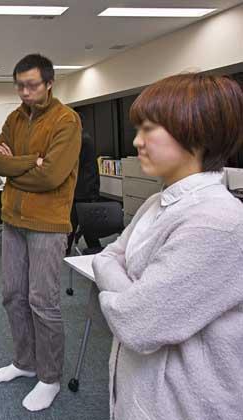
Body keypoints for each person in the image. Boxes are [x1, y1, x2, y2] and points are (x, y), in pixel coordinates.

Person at [92, 74, 243, 420]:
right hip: (140, 392)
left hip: (183, 405)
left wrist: (127, 295)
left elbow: (137, 323)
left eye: (149, 129)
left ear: (198, 132)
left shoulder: (217, 222)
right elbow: (105, 257)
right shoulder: (157, 203)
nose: (136, 142)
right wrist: (132, 290)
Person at [0, 53, 82, 412]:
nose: (25, 92)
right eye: (20, 86)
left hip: (47, 225)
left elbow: (52, 176)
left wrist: (20, 167)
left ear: (49, 83)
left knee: (43, 301)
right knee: (13, 295)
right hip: (13, 220)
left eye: (32, 85)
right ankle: (25, 363)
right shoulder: (14, 118)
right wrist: (30, 160)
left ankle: (50, 377)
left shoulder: (66, 120)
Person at [66, 128, 101, 255]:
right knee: (84, 222)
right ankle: (93, 248)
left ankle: (66, 248)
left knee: (74, 221)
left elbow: (72, 163)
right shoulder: (85, 138)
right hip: (86, 188)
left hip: (83, 189)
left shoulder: (82, 140)